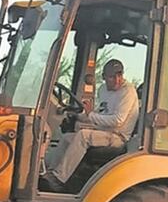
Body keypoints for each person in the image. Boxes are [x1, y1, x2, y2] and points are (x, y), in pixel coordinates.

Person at [40, 59, 139, 192]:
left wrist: (90, 115)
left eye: (119, 75)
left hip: (118, 136)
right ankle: (50, 173)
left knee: (83, 136)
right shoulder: (103, 90)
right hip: (103, 131)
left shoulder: (128, 91)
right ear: (104, 77)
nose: (117, 80)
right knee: (68, 137)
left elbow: (117, 121)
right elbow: (101, 112)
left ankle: (59, 179)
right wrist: (79, 115)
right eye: (112, 77)